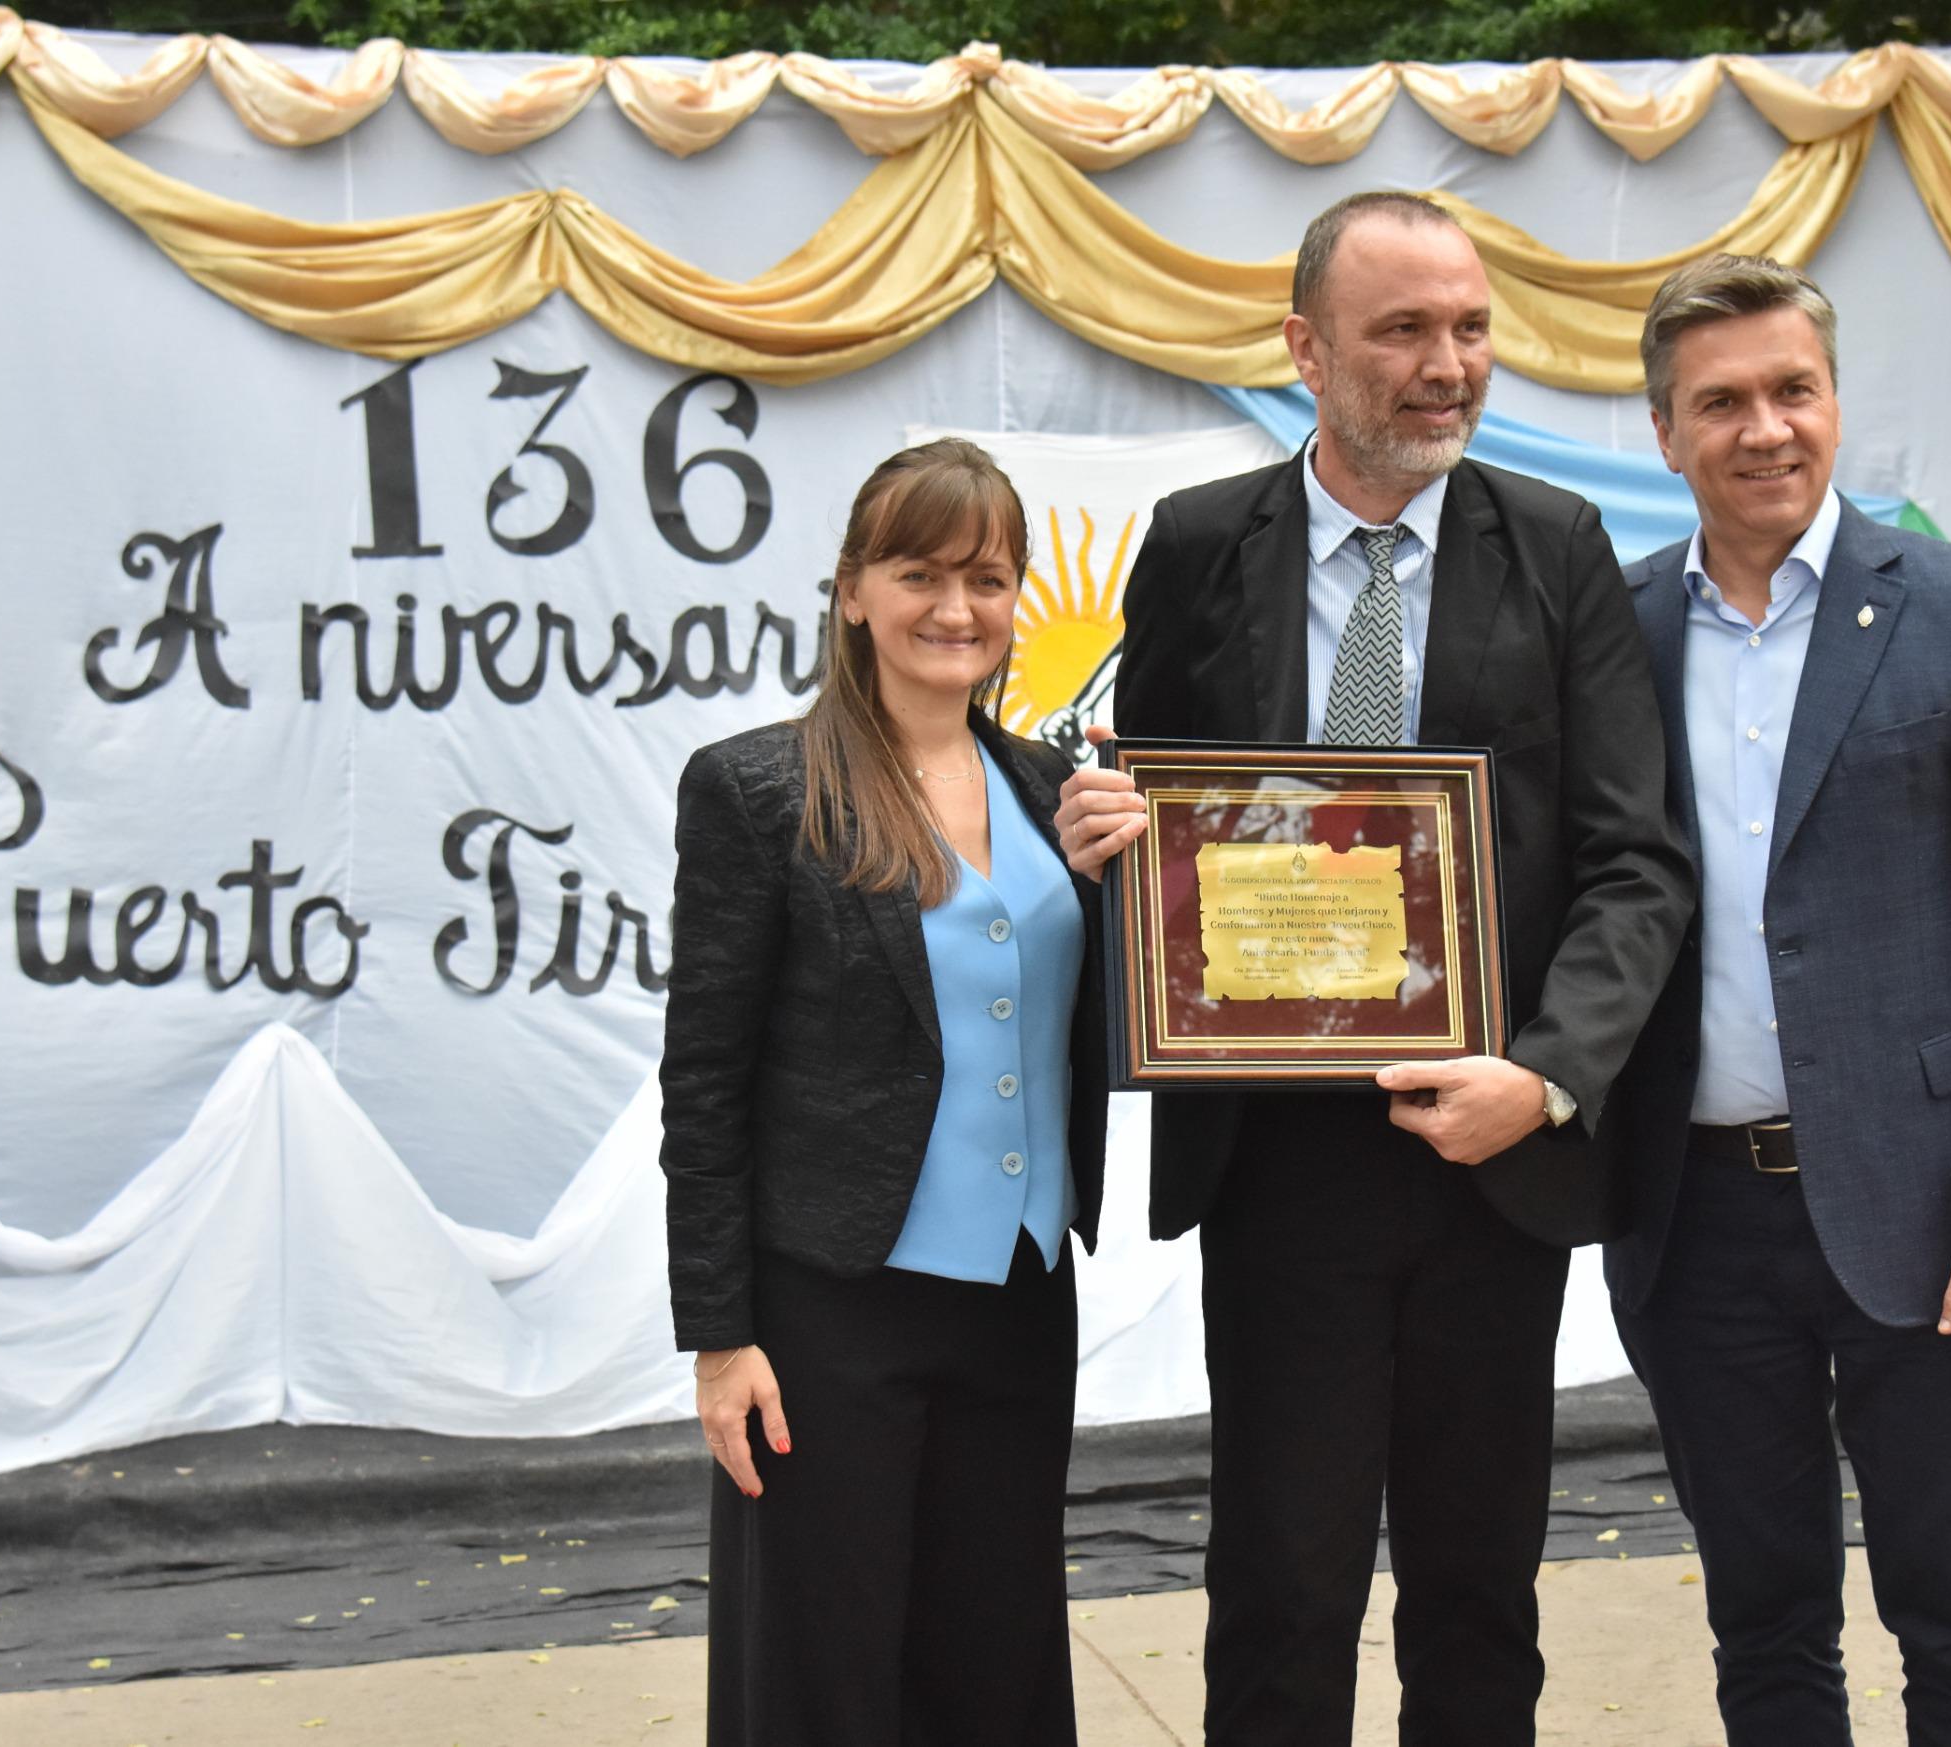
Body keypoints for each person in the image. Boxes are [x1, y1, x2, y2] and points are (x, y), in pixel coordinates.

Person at [1055, 193, 1694, 1745]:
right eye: (1403, 329)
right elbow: (1168, 818)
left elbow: (1636, 861)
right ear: (1305, 350)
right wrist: (1104, 821)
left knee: (1480, 1590)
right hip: (1282, 1158)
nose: (1446, 364)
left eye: (1469, 328)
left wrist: (1542, 1077)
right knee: (1279, 1584)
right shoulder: (1204, 549)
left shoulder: (1557, 546)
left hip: (1491, 1149)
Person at [1602, 253, 1951, 1745]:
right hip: (1693, 1226)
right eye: (1723, 402)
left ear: (1834, 401)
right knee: (1764, 1631)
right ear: (1665, 431)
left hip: (1936, 1220)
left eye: (1791, 390)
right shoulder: (1611, 636)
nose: (1765, 428)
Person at [659, 438, 1123, 1746]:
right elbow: (704, 1083)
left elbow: (1119, 1013)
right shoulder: (757, 791)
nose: (956, 608)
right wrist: (721, 1337)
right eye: (917, 571)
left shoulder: (1057, 796)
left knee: (997, 1659)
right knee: (825, 1672)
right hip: (827, 1313)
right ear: (852, 589)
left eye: (986, 577)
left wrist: (1153, 890)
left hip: (1022, 1301)